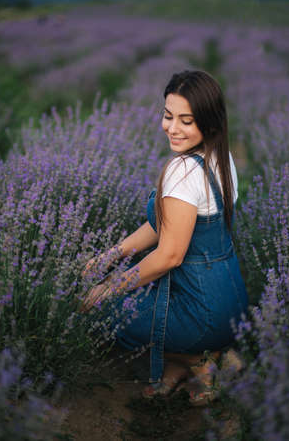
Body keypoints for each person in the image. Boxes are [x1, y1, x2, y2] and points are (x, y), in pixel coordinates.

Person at [80, 70, 249, 405]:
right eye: (168, 116)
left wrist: (107, 287)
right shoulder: (222, 157)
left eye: (186, 120)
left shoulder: (182, 171)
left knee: (99, 309)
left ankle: (199, 362)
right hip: (232, 302)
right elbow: (166, 225)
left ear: (209, 122)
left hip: (201, 312)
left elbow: (169, 256)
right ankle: (203, 355)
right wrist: (111, 255)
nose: (172, 128)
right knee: (137, 288)